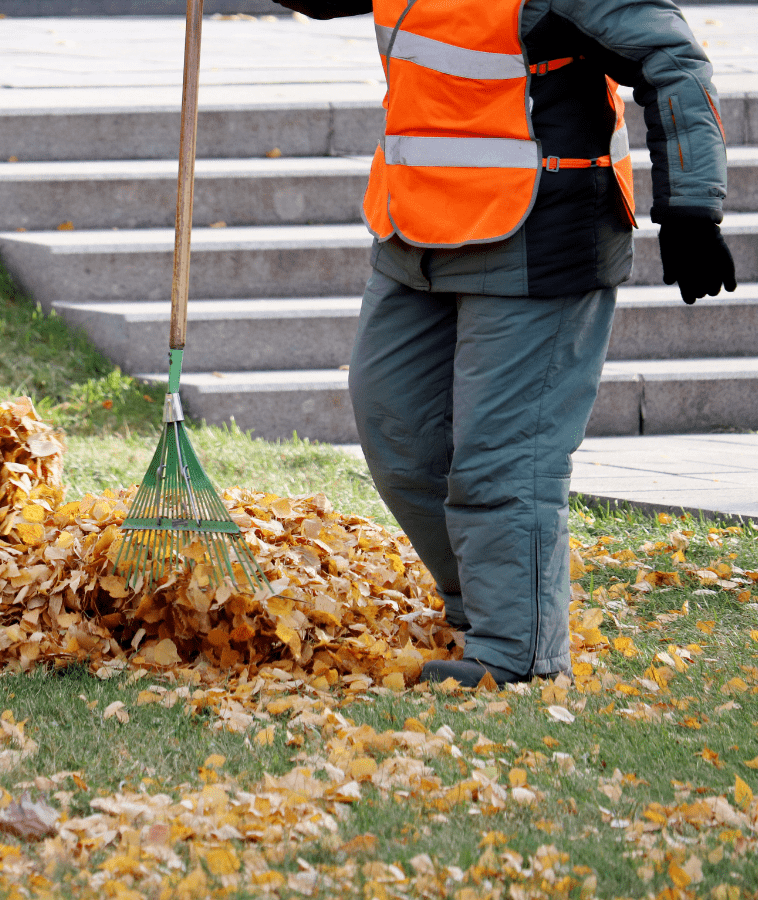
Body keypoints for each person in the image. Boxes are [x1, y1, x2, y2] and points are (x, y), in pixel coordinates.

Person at [275, 0, 736, 686]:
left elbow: (672, 58)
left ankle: (517, 656)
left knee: (503, 460)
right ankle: (490, 606)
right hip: (417, 224)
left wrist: (692, 207)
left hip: (541, 231)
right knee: (396, 430)